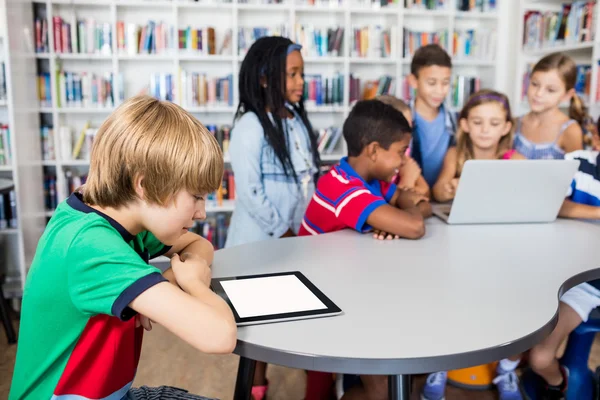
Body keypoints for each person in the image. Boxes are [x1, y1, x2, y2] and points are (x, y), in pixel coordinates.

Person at [9, 95, 237, 400]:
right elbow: (220, 336)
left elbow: (199, 244)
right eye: (195, 196)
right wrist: (193, 283)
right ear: (145, 186)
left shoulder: (118, 221)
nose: (201, 213)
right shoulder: (91, 248)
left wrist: (167, 281)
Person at [301, 99, 431, 400]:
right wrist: (397, 215)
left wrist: (395, 213)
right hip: (320, 296)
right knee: (366, 383)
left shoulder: (368, 180)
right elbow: (415, 226)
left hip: (347, 282)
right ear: (373, 150)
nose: (403, 162)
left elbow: (416, 203)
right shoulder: (344, 188)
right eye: (400, 152)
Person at [224, 36, 321, 399]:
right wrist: (284, 232)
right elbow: (250, 193)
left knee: (283, 317)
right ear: (264, 79)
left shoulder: (295, 120)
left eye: (302, 73)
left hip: (293, 241)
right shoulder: (250, 126)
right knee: (257, 328)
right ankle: (255, 387)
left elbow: (307, 179)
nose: (300, 82)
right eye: (292, 74)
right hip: (261, 246)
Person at [425, 90, 524, 400]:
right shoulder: (456, 155)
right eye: (478, 122)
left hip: (501, 249)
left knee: (518, 301)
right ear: (465, 124)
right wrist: (448, 186)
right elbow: (438, 191)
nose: (485, 129)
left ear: (506, 127)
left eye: (494, 123)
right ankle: (440, 361)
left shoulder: (515, 160)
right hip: (459, 245)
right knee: (448, 300)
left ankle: (507, 368)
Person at [514, 52, 586, 159]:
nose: (538, 94)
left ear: (567, 95)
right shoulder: (515, 123)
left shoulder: (570, 131)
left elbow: (577, 173)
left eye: (550, 90)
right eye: (534, 84)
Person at [407, 43, 457, 187]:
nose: (439, 91)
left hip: (444, 197)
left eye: (445, 83)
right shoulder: (401, 118)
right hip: (411, 195)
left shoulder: (456, 121)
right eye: (431, 83)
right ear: (413, 81)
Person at [376, 94, 430, 199]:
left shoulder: (404, 154)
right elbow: (383, 206)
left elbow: (426, 190)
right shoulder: (375, 163)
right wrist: (407, 181)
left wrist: (409, 191)